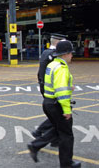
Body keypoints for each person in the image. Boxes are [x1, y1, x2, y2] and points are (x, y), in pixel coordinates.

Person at [28, 40, 81, 168]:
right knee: (67, 135)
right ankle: (67, 164)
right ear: (65, 54)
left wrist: (69, 86)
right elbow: (61, 92)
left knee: (59, 130)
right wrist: (67, 110)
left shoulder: (52, 65)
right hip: (57, 104)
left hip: (48, 103)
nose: (72, 56)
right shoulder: (61, 68)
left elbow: (53, 84)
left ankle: (35, 146)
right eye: (71, 53)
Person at [32, 34, 66, 142]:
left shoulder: (45, 52)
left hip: (45, 87)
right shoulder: (54, 55)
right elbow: (57, 74)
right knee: (59, 114)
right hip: (52, 89)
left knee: (56, 113)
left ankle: (54, 139)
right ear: (58, 42)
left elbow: (39, 73)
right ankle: (40, 134)